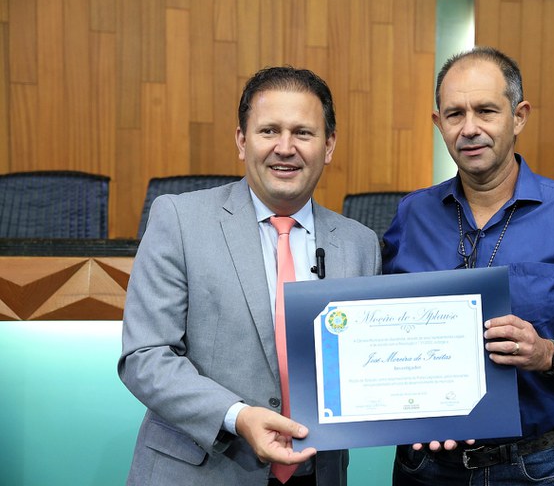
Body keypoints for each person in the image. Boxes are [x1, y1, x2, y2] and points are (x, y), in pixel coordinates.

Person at [383, 47, 554, 485]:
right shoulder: (412, 215)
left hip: (534, 466)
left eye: (486, 111)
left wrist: (548, 354)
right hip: (425, 465)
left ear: (518, 117)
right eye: (455, 114)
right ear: (438, 123)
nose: (469, 128)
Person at [118, 66, 381, 485]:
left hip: (317, 474)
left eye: (303, 133)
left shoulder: (360, 244)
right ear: (242, 141)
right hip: (200, 473)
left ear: (329, 145)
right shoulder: (180, 220)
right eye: (269, 131)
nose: (285, 148)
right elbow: (145, 356)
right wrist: (237, 417)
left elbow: (367, 365)